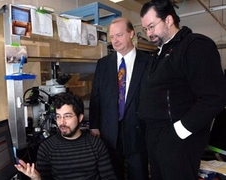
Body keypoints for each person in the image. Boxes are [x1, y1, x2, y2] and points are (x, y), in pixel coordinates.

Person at [139, 1, 226, 180]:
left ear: (169, 20)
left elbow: (214, 98)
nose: (148, 33)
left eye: (151, 26)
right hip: (156, 138)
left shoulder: (195, 46)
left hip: (177, 140)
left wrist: (178, 131)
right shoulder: (159, 54)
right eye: (145, 29)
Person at [89, 17, 150, 180]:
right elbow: (95, 97)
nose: (115, 40)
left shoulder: (149, 62)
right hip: (109, 134)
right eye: (112, 36)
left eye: (119, 35)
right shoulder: (103, 64)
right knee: (112, 175)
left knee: (139, 175)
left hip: (138, 133)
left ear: (131, 34)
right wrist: (94, 126)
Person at [15, 92, 117, 180]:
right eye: (58, 116)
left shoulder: (96, 144)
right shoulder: (46, 148)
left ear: (80, 118)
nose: (62, 122)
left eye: (67, 116)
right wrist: (37, 179)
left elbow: (109, 177)